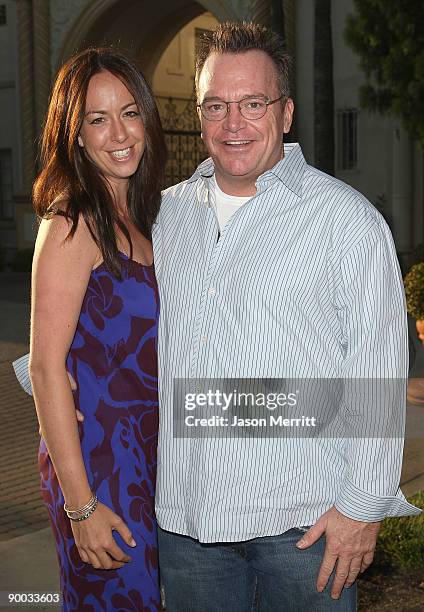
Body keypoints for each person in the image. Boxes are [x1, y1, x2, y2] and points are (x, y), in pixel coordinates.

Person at [152, 22, 420, 611]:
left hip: (305, 531)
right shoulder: (164, 218)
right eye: (216, 105)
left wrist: (360, 507)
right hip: (188, 527)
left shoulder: (346, 224)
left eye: (253, 103)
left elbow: (376, 376)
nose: (233, 123)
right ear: (199, 114)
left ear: (287, 111)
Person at [28, 47, 166, 611]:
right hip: (101, 467)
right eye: (97, 119)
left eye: (130, 113)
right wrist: (80, 506)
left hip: (151, 454)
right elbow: (43, 364)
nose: (119, 134)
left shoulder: (142, 217)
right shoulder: (71, 220)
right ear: (75, 134)